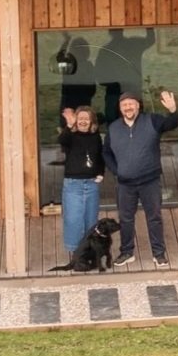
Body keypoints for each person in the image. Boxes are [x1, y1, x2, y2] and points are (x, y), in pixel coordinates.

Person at [103, 87, 178, 267]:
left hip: (149, 181)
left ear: (138, 106)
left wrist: (173, 110)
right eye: (124, 105)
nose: (127, 108)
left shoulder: (152, 120)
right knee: (125, 219)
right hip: (125, 184)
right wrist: (117, 170)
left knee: (154, 217)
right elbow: (106, 153)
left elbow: (172, 124)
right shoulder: (113, 128)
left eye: (131, 104)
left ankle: (159, 254)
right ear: (120, 109)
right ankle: (126, 252)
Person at [54, 104, 108, 259]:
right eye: (80, 118)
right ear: (76, 120)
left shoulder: (96, 136)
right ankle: (75, 252)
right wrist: (69, 125)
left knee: (91, 219)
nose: (83, 121)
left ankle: (89, 249)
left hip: (91, 183)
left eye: (87, 118)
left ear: (92, 121)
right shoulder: (71, 135)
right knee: (73, 219)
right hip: (73, 184)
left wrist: (101, 173)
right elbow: (62, 140)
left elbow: (100, 156)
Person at [91, 27, 157, 118]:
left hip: (130, 89)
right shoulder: (106, 50)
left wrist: (149, 24)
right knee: (114, 120)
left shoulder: (132, 44)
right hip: (115, 92)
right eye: (115, 31)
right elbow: (99, 76)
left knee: (135, 120)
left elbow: (150, 40)